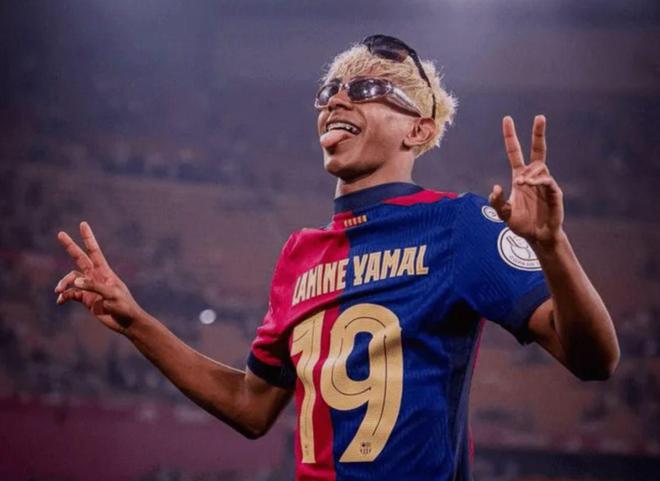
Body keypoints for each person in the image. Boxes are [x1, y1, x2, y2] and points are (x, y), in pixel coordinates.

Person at [54, 35, 620, 481]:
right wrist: (137, 322)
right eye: (330, 91)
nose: (338, 99)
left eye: (369, 88)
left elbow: (594, 360)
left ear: (418, 129)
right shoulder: (299, 254)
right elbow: (251, 406)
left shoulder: (459, 224)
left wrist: (552, 246)